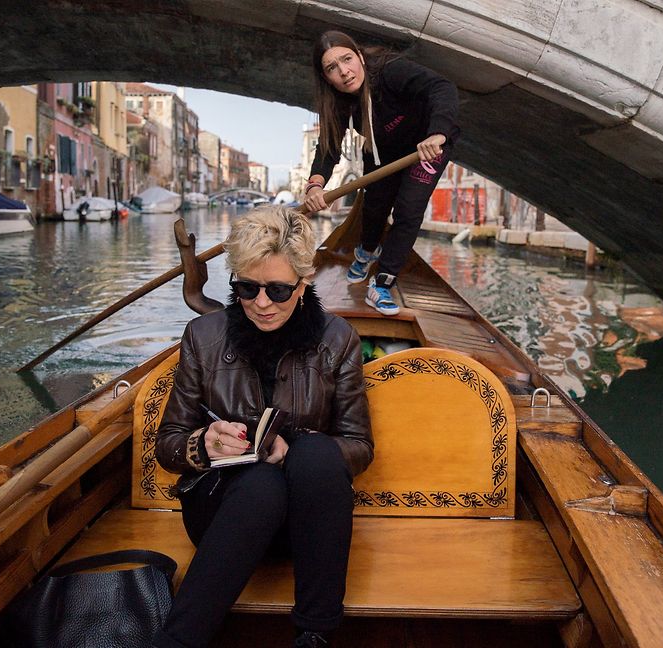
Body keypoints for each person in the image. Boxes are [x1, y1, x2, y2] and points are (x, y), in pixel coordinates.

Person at [152, 205, 374, 648]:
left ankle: (314, 634)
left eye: (277, 290)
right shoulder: (203, 337)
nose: (261, 303)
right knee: (259, 484)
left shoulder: (338, 339)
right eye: (247, 288)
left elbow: (359, 445)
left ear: (303, 283)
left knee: (312, 454)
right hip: (222, 518)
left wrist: (291, 454)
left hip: (306, 525)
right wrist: (203, 444)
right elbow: (169, 444)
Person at [303, 30, 460, 316]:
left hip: (427, 146)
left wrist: (438, 133)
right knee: (374, 206)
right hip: (382, 150)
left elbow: (442, 88)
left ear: (360, 56)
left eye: (347, 59)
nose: (344, 72)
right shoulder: (336, 102)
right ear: (326, 78)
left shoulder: (391, 71)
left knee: (408, 210)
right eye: (332, 68)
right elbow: (328, 149)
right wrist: (315, 185)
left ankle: (383, 283)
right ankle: (366, 251)